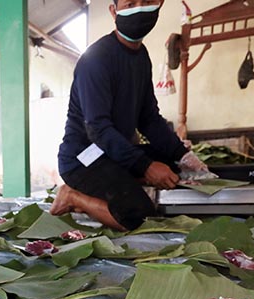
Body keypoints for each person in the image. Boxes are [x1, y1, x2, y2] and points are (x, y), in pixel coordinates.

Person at [52, 0, 212, 231]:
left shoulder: (141, 56)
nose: (139, 8)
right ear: (113, 11)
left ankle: (122, 184)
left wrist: (183, 155)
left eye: (146, 1)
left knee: (174, 167)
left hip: (113, 152)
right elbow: (97, 129)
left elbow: (148, 118)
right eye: (130, 3)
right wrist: (145, 166)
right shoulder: (96, 59)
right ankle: (73, 196)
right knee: (138, 215)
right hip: (83, 156)